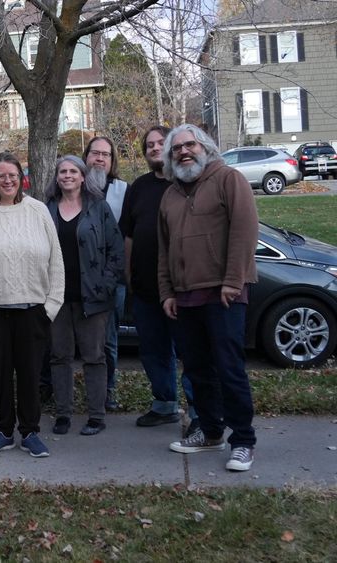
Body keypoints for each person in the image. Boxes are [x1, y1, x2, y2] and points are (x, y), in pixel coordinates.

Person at [160, 124, 259, 472]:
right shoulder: (170, 194)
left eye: (191, 145)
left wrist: (233, 281)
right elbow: (164, 248)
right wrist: (166, 292)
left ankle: (243, 441)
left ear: (206, 148)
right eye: (177, 149)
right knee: (198, 370)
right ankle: (212, 432)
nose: (184, 152)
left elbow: (245, 231)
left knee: (229, 368)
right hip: (185, 298)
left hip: (224, 294)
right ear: (170, 158)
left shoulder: (228, 179)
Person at [0, 153, 63, 457]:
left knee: (31, 375)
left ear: (21, 178)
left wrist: (51, 306)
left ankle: (30, 432)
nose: (7, 180)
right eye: (1, 175)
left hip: (33, 310)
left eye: (12, 175)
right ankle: (4, 431)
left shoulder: (39, 211)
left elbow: (56, 262)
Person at [120, 126, 199, 435]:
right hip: (144, 289)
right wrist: (129, 275)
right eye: (148, 144)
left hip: (182, 289)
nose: (154, 148)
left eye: (159, 142)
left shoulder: (188, 182)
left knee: (190, 351)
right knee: (153, 351)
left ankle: (198, 411)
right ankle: (164, 404)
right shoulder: (138, 187)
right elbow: (128, 234)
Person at [47, 155, 123, 437]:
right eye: (62, 171)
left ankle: (96, 415)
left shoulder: (98, 208)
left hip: (93, 296)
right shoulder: (48, 210)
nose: (67, 175)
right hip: (57, 296)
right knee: (59, 357)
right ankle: (63, 414)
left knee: (94, 357)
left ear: (82, 176)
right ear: (57, 177)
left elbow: (116, 250)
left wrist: (106, 284)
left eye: (73, 171)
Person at [83, 136, 128, 411]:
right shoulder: (74, 186)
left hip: (111, 281)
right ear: (86, 156)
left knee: (107, 340)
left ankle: (107, 391)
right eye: (95, 153)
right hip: (77, 278)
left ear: (112, 161)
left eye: (106, 155)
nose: (100, 158)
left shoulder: (124, 190)